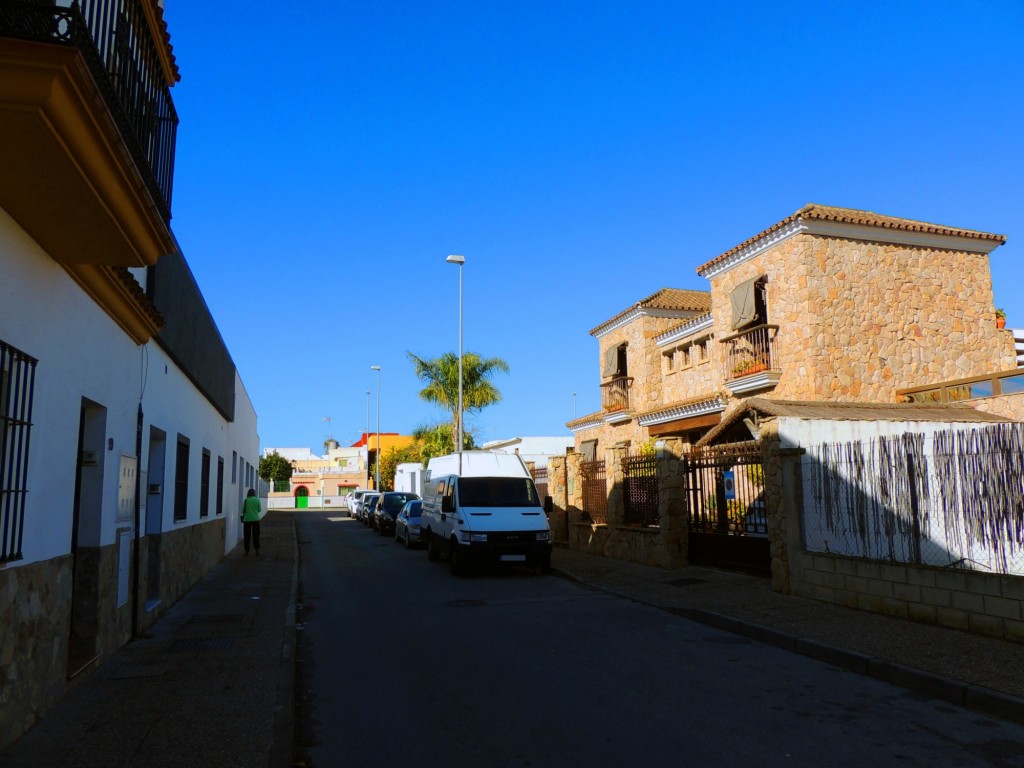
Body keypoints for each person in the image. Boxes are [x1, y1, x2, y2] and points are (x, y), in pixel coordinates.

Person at [241, 488, 262, 556]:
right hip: (256, 520)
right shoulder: (257, 500)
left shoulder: (246, 500)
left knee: (247, 536)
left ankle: (246, 551)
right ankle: (257, 550)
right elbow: (259, 510)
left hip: (247, 520)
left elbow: (242, 510)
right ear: (254, 493)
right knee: (256, 535)